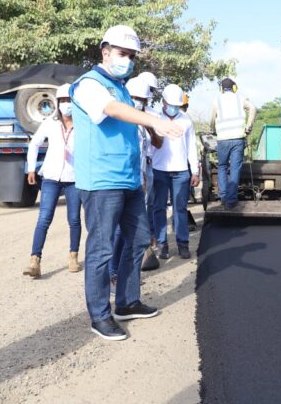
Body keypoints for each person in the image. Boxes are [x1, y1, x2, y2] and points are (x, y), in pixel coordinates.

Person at [70, 25, 183, 341]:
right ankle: (99, 316)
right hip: (102, 181)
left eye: (132, 56)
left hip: (129, 180)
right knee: (102, 249)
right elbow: (112, 110)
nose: (128, 60)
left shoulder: (119, 85)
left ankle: (127, 301)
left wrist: (140, 177)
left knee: (138, 239)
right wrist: (154, 120)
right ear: (105, 51)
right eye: (122, 54)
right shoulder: (89, 85)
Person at [22, 84, 82, 279]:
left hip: (74, 178)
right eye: (63, 101)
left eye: (70, 101)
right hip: (50, 177)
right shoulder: (50, 123)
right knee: (44, 219)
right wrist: (31, 167)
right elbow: (35, 144)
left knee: (74, 220)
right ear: (57, 103)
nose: (66, 105)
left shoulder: (83, 124)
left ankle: (73, 257)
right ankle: (34, 261)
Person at [109, 75, 161, 290]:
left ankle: (123, 278)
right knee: (118, 232)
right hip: (118, 180)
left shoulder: (146, 120)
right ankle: (112, 274)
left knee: (134, 235)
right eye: (135, 98)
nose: (139, 102)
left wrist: (149, 125)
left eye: (142, 99)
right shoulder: (116, 119)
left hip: (138, 181)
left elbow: (154, 145)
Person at [151, 84, 199, 260]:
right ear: (163, 101)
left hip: (181, 171)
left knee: (180, 209)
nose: (173, 108)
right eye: (170, 104)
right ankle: (162, 244)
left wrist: (195, 171)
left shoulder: (186, 120)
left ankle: (183, 244)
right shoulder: (154, 118)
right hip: (159, 170)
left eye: (176, 105)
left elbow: (191, 147)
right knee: (159, 208)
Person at [209, 78, 256, 208]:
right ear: (234, 88)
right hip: (238, 139)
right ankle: (231, 200)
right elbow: (253, 108)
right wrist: (248, 127)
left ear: (221, 89)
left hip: (223, 140)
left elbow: (212, 119)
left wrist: (212, 129)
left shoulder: (216, 100)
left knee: (222, 167)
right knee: (235, 168)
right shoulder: (240, 98)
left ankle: (223, 197)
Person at [180, 93, 199, 232]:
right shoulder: (186, 119)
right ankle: (181, 220)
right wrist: (195, 171)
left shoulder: (161, 117)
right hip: (182, 164)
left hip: (163, 165)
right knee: (181, 196)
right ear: (186, 105)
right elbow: (192, 147)